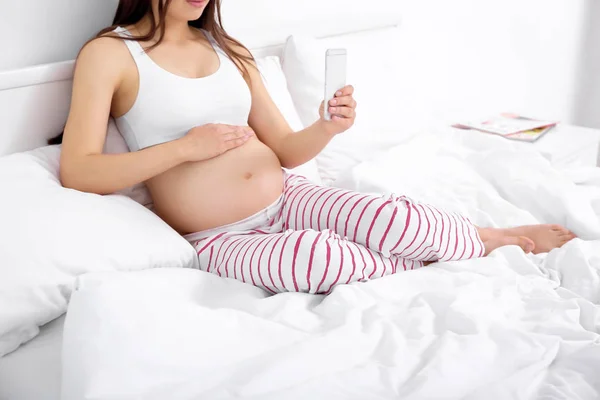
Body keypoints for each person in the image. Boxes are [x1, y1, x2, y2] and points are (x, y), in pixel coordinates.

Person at [55, 0, 576, 294]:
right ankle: (428, 259)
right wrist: (185, 149)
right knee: (317, 258)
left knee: (393, 219)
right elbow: (78, 171)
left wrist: (326, 127)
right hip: (218, 235)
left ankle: (487, 236)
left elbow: (283, 147)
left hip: (291, 194)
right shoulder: (110, 54)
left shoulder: (228, 50)